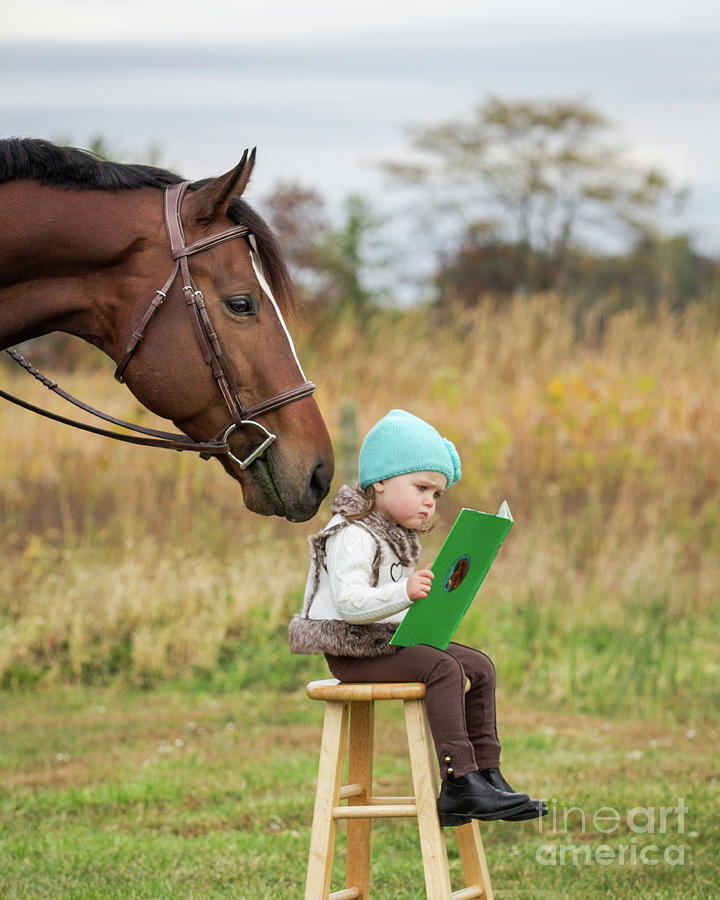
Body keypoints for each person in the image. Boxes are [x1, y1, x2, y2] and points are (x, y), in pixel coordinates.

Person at [289, 409, 546, 826]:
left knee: (478, 667)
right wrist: (404, 591)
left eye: (437, 494)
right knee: (443, 668)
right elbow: (352, 603)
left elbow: (397, 606)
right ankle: (458, 782)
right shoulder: (353, 532)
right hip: (351, 651)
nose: (430, 501)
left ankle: (486, 774)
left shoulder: (394, 534)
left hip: (387, 643)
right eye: (422, 487)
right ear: (381, 482)